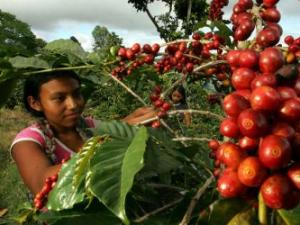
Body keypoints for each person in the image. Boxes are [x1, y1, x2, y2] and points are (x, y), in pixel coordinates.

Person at [10, 70, 156, 196]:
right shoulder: (27, 141)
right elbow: (42, 185)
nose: (73, 105)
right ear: (35, 103)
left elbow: (118, 127)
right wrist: (110, 142)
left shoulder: (87, 126)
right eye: (59, 98)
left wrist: (138, 118)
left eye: (77, 94)